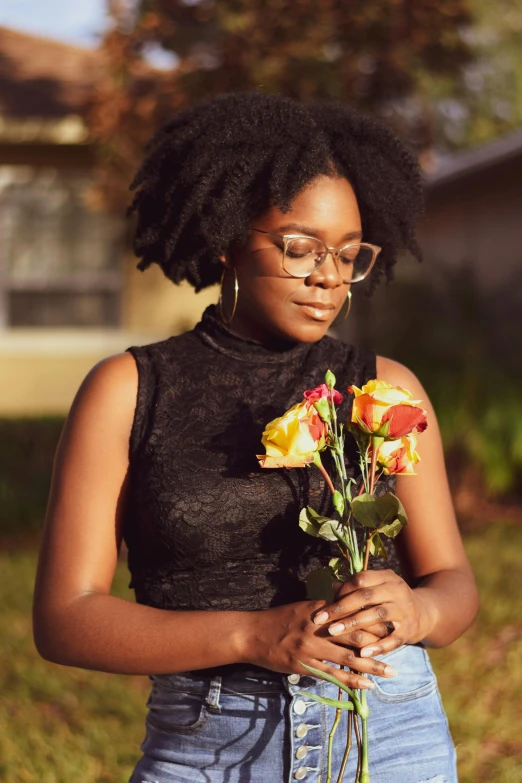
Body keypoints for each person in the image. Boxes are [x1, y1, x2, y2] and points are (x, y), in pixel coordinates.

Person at [33, 92, 478, 783]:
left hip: (389, 732)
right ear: (228, 235)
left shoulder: (386, 389)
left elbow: (455, 587)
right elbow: (65, 617)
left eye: (349, 255)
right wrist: (250, 633)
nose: (328, 276)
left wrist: (416, 609)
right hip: (209, 746)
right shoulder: (126, 390)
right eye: (300, 248)